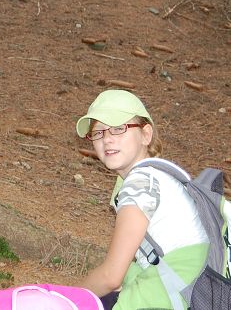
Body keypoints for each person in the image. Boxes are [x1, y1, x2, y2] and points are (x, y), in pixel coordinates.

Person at [74, 90, 209, 309]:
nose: (107, 139)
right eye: (98, 132)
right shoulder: (161, 176)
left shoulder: (141, 184)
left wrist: (65, 298)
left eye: (119, 128)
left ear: (146, 135)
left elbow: (111, 277)